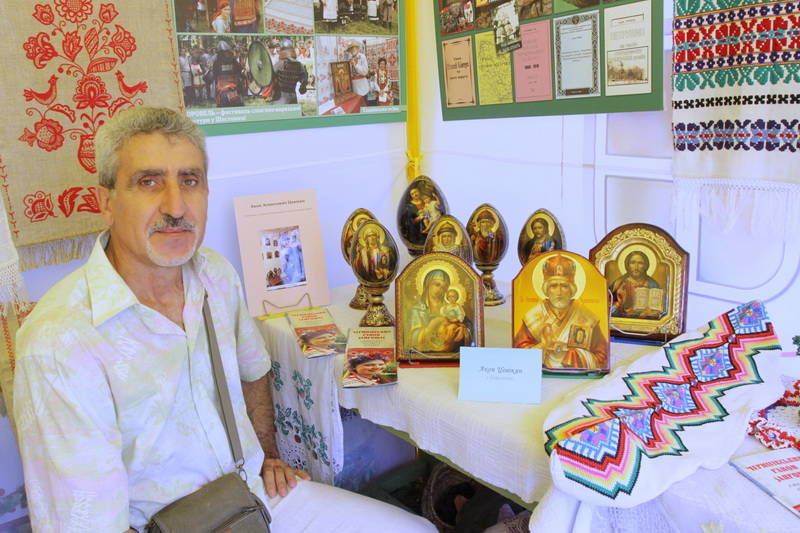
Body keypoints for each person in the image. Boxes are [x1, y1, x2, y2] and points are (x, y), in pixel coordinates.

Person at [12, 106, 437, 532]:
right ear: (106, 203)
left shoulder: (214, 274)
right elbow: (86, 525)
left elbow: (253, 369)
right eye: (149, 182)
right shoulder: (59, 342)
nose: (175, 206)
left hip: (249, 497)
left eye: (189, 181)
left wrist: (268, 456)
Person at [513, 254, 608, 371]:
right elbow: (519, 354)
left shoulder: (587, 317)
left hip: (575, 375)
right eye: (553, 286)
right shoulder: (533, 317)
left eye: (564, 286)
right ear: (546, 290)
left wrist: (576, 355)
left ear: (572, 290)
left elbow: (602, 357)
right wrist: (543, 345)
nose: (559, 292)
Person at [408, 269, 472, 353]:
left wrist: (463, 330)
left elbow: (468, 325)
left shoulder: (449, 306)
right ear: (428, 284)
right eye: (437, 284)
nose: (439, 289)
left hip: (452, 352)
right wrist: (430, 327)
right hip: (427, 353)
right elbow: (412, 338)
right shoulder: (417, 309)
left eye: (443, 287)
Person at [609, 250, 663, 318]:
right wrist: (619, 304)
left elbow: (661, 308)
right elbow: (606, 308)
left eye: (640, 263)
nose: (636, 267)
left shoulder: (653, 284)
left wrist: (653, 313)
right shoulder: (618, 283)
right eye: (632, 263)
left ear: (645, 266)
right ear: (628, 265)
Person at [272, 38, 308, 105]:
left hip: (280, 97)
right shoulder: (299, 64)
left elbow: (270, 76)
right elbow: (304, 80)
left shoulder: (280, 63)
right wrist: (303, 87)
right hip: (292, 96)